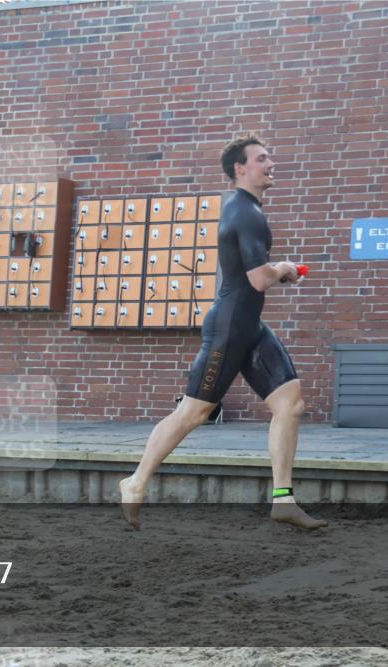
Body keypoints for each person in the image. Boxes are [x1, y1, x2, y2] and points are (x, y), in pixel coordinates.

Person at [119, 134, 326, 530]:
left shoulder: (249, 211)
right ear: (240, 168)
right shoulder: (244, 213)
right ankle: (135, 482)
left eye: (270, 157)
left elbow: (256, 280)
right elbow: (259, 279)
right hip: (230, 327)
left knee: (290, 405)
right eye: (262, 158)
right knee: (194, 412)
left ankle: (283, 499)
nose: (270, 164)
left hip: (250, 326)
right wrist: (283, 269)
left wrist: (278, 270)